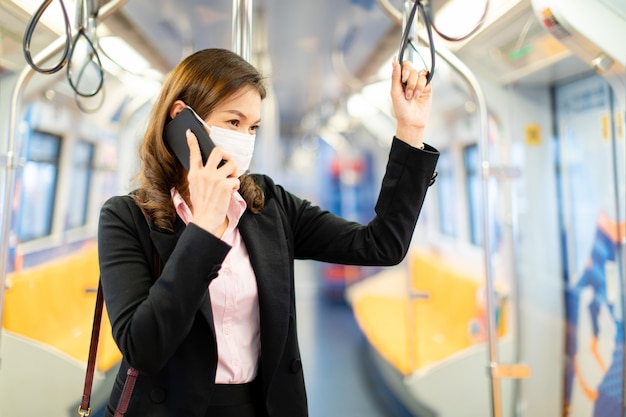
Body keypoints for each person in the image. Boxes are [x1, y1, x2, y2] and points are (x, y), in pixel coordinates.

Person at [97, 47, 439, 417]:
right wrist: (205, 227)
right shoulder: (126, 218)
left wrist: (410, 130)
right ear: (183, 121)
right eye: (233, 122)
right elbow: (143, 347)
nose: (245, 139)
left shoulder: (268, 205)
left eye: (253, 127)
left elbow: (381, 245)